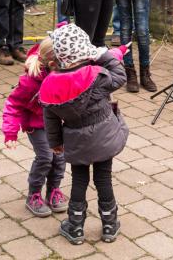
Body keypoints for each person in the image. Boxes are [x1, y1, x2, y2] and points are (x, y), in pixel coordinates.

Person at [39, 23, 128, 245]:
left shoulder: (51, 83)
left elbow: (50, 118)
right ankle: (109, 224)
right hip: (104, 137)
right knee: (103, 178)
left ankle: (75, 226)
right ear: (85, 50)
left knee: (79, 179)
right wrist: (103, 54)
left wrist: (56, 143)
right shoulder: (97, 74)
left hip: (75, 140)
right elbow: (120, 75)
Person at [2, 44, 67, 217]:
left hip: (57, 123)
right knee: (46, 157)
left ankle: (53, 190)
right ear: (53, 64)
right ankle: (34, 195)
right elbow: (13, 105)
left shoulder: (63, 74)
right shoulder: (30, 82)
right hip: (37, 125)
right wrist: (10, 133)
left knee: (60, 158)